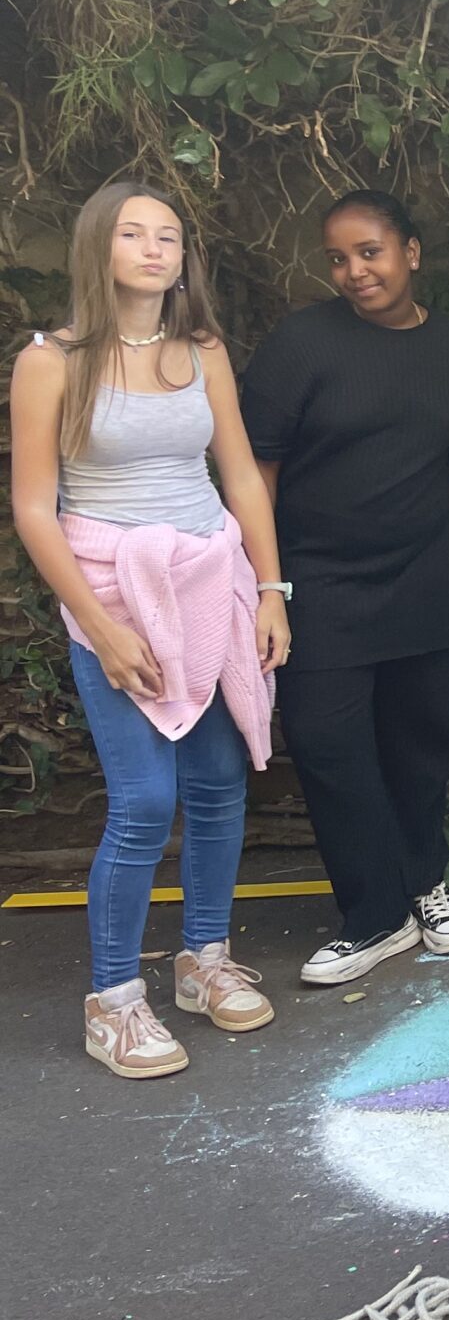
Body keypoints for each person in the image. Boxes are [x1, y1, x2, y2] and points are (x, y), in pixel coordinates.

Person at [11, 179, 287, 1077]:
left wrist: (271, 590)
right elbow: (35, 510)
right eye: (134, 233)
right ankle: (114, 1000)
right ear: (98, 247)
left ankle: (204, 960)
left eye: (168, 236)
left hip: (210, 583)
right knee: (142, 804)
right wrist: (98, 625)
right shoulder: (50, 361)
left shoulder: (202, 349)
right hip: (113, 595)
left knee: (218, 785)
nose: (155, 249)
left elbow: (239, 476)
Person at [241, 191, 449, 984]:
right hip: (319, 581)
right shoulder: (301, 343)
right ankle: (374, 916)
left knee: (420, 743)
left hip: (426, 577)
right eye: (338, 258)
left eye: (370, 252)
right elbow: (255, 468)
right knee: (329, 747)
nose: (354, 271)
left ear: (411, 253)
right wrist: (266, 582)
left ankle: (425, 888)